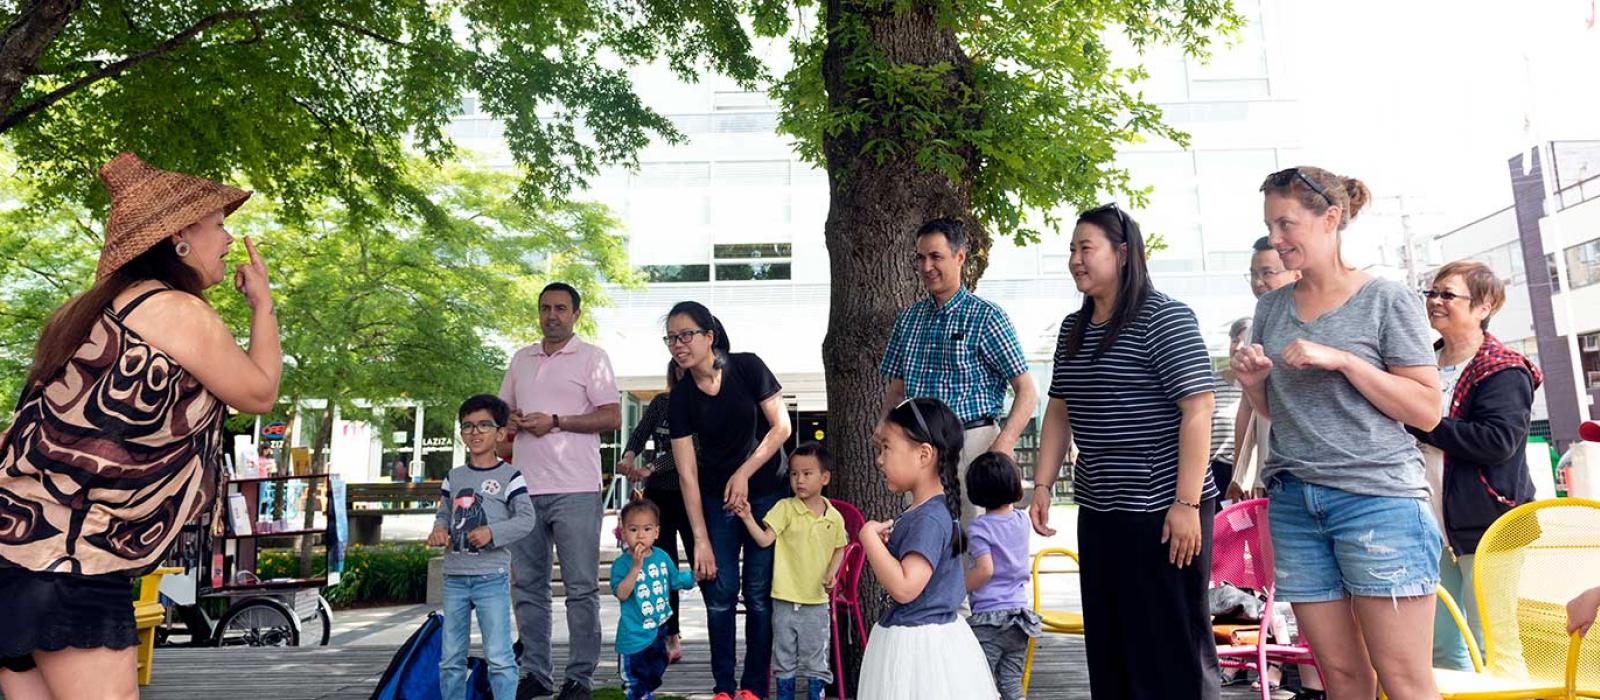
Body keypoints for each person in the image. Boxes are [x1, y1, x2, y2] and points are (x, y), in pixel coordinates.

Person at [0, 152, 280, 700]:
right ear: (179, 237)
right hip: (73, 560)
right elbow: (258, 392)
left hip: (18, 543)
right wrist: (262, 308)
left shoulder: (85, 311)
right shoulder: (175, 311)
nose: (228, 238)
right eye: (218, 224)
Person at [1232, 166, 1443, 700]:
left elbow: (1426, 411)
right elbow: (1280, 415)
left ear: (1330, 219)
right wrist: (1257, 384)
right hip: (1295, 502)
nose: (1275, 241)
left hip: (1379, 501)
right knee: (1341, 680)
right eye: (1269, 226)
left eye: (1286, 224)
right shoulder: (1271, 307)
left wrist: (1345, 360)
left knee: (1405, 682)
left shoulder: (1386, 299)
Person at [1028, 204, 1220, 698]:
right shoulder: (1074, 328)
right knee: (1112, 641)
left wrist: (1186, 504)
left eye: (1085, 248)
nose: (1075, 259)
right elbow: (1058, 410)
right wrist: (1044, 484)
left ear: (1123, 252)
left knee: (1172, 644)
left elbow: (1199, 410)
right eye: (1071, 249)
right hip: (1100, 507)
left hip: (1165, 508)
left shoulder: (1165, 317)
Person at [1409, 260, 1542, 670]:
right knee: (1441, 645)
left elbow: (1496, 442)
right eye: (1431, 293)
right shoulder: (1418, 362)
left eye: (1447, 294)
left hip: (1491, 520)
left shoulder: (1502, 368)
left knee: (1494, 643)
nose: (1435, 302)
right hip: (1425, 519)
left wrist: (1423, 425)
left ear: (1485, 306)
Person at [499, 282, 622, 700]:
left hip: (577, 489)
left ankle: (580, 678)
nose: (552, 315)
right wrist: (510, 423)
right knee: (528, 588)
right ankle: (535, 673)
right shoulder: (521, 359)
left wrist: (555, 420)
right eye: (545, 308)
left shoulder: (593, 358)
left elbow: (611, 417)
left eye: (561, 308)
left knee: (581, 587)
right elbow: (502, 420)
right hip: (524, 491)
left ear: (576, 315)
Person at [665, 301, 793, 700]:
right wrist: (699, 538)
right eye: (671, 337)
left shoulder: (748, 367)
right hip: (716, 499)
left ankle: (754, 687)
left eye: (686, 334)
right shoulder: (681, 396)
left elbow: (781, 428)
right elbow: (686, 473)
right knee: (720, 592)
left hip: (768, 492)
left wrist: (744, 472)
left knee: (757, 592)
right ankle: (724, 686)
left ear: (709, 336)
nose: (678, 344)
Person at [880, 217, 1037, 525]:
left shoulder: (987, 317)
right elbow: (896, 390)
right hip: (918, 449)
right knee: (922, 547)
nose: (927, 266)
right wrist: (886, 427)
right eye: (920, 257)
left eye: (936, 256)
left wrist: (1002, 446)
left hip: (973, 444)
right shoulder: (907, 320)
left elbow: (1027, 390)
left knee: (973, 551)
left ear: (960, 257)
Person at [857, 398, 998, 700]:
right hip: (919, 640)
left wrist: (868, 538)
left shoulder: (929, 518)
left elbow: (906, 587)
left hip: (919, 651)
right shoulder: (926, 512)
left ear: (923, 454)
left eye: (887, 448)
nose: (879, 460)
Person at [428, 395, 538, 700]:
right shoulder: (454, 477)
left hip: (492, 578)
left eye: (484, 425)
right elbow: (444, 513)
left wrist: (493, 532)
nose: (475, 432)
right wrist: (439, 529)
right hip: (454, 579)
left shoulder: (511, 477)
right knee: (451, 658)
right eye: (468, 426)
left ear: (501, 433)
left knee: (500, 657)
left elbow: (526, 519)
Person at [733, 442, 847, 700]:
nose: (800, 480)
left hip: (816, 602)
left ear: (825, 478)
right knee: (783, 656)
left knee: (816, 657)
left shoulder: (834, 517)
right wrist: (747, 517)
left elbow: (840, 547)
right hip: (784, 598)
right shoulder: (785, 508)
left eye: (807, 474)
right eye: (794, 474)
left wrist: (832, 572)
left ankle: (815, 694)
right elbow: (764, 540)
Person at [619, 360, 695, 663]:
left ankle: (720, 633)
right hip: (658, 498)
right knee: (661, 567)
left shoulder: (702, 406)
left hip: (691, 495)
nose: (683, 372)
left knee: (702, 564)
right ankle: (670, 634)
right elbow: (640, 432)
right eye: (678, 367)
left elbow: (686, 452)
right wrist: (628, 456)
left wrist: (650, 467)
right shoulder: (662, 402)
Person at [1227, 236, 1301, 502]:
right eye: (1253, 275)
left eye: (1267, 273)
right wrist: (1239, 472)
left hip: (1313, 470)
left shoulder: (1317, 324)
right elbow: (1246, 406)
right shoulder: (1253, 333)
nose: (1259, 283)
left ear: (1296, 271)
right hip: (1268, 471)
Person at [963, 452, 1042, 700]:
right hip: (1020, 617)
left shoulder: (979, 528)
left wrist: (959, 586)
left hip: (989, 618)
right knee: (1010, 682)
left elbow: (986, 570)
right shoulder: (1021, 520)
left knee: (980, 679)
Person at [610, 499, 698, 700]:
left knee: (656, 670)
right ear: (623, 533)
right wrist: (635, 567)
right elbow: (622, 593)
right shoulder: (622, 564)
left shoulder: (662, 557)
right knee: (634, 679)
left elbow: (674, 580)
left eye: (647, 529)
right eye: (633, 530)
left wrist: (694, 577)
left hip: (659, 629)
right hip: (634, 635)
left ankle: (644, 691)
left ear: (656, 532)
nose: (640, 535)